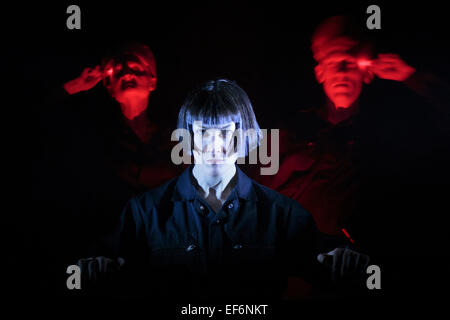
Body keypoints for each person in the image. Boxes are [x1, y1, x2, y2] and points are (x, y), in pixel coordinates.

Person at [77, 79, 370, 301]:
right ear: (188, 136)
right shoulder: (145, 211)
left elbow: (328, 256)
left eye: (225, 132)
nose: (214, 144)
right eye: (204, 131)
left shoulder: (280, 213)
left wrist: (346, 258)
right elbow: (97, 264)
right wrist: (95, 268)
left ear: (243, 134)